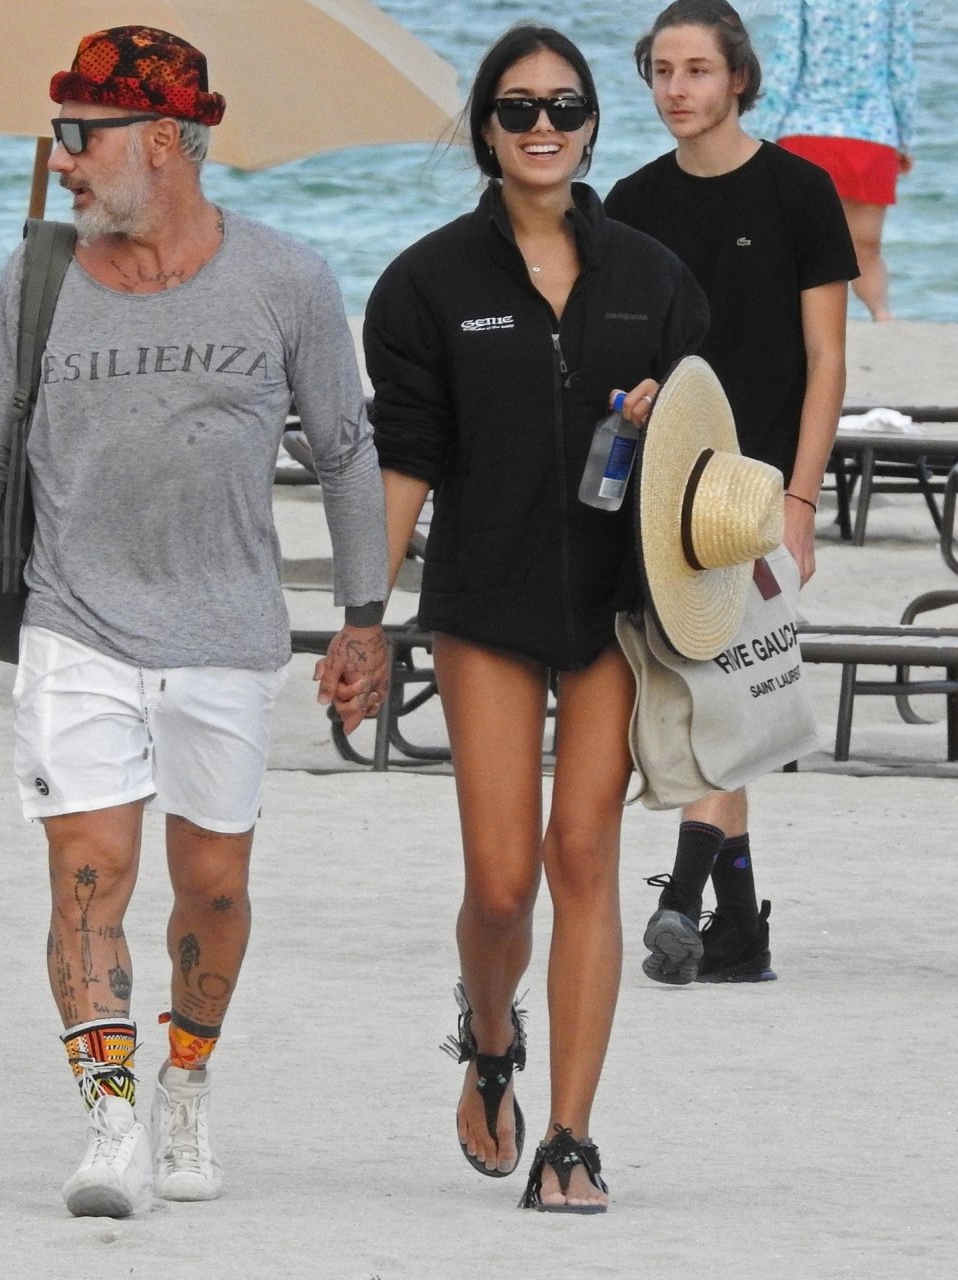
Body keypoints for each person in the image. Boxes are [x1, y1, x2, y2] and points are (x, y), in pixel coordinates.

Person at [0, 25, 389, 1219]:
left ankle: (185, 1083)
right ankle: (112, 1120)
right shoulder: (36, 277)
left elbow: (346, 451)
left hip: (226, 628)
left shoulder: (287, 278)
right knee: (87, 874)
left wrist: (362, 618)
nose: (63, 159)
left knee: (213, 890)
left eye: (82, 135)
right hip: (76, 620)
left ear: (166, 141)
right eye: (59, 135)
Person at [364, 24, 708, 1212]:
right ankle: (491, 1037)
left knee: (584, 855)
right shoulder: (426, 283)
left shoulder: (653, 279)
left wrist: (670, 424)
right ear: (485, 129)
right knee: (504, 884)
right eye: (517, 109)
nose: (542, 125)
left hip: (618, 608)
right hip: (487, 601)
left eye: (564, 105)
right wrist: (362, 617)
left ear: (592, 124)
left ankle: (570, 1135)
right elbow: (405, 460)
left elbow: (708, 454)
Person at [605, 0, 857, 986]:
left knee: (728, 691)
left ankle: (679, 900)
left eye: (697, 70)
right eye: (662, 71)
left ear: (738, 78)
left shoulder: (800, 191)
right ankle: (739, 932)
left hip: (754, 503)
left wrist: (800, 502)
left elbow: (826, 358)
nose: (676, 90)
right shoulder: (630, 200)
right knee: (713, 697)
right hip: (664, 495)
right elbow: (621, 353)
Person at [758, 0, 916, 322]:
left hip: (805, 131)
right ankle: (882, 317)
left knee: (795, 249)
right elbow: (901, 66)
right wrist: (905, 138)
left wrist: (763, 132)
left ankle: (787, 323)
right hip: (872, 134)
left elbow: (787, 59)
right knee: (866, 249)